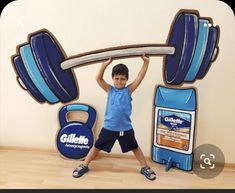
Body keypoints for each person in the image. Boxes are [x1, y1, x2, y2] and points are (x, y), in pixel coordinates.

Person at [72, 54, 156, 181]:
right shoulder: (109, 89)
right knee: (97, 146)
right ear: (112, 78)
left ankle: (144, 167)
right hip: (109, 128)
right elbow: (98, 78)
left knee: (135, 147)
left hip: (125, 129)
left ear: (127, 80)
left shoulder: (129, 90)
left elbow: (140, 77)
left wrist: (146, 62)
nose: (119, 81)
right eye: (116, 78)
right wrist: (104, 65)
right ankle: (84, 165)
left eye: (122, 79)